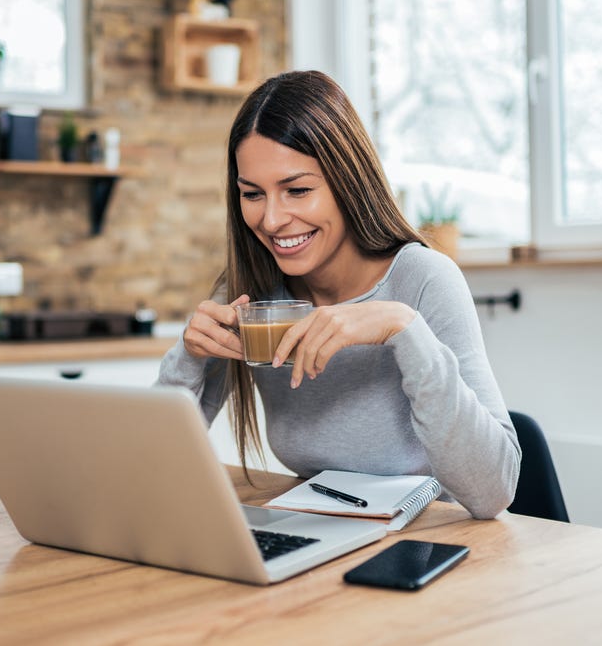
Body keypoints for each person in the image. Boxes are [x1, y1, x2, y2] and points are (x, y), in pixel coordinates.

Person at [156, 70, 520, 519]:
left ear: (348, 180)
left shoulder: (424, 279)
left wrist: (404, 329)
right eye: (252, 194)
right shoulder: (249, 295)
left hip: (425, 542)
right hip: (315, 529)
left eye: (298, 190)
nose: (271, 220)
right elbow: (145, 471)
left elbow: (494, 492)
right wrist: (189, 357)